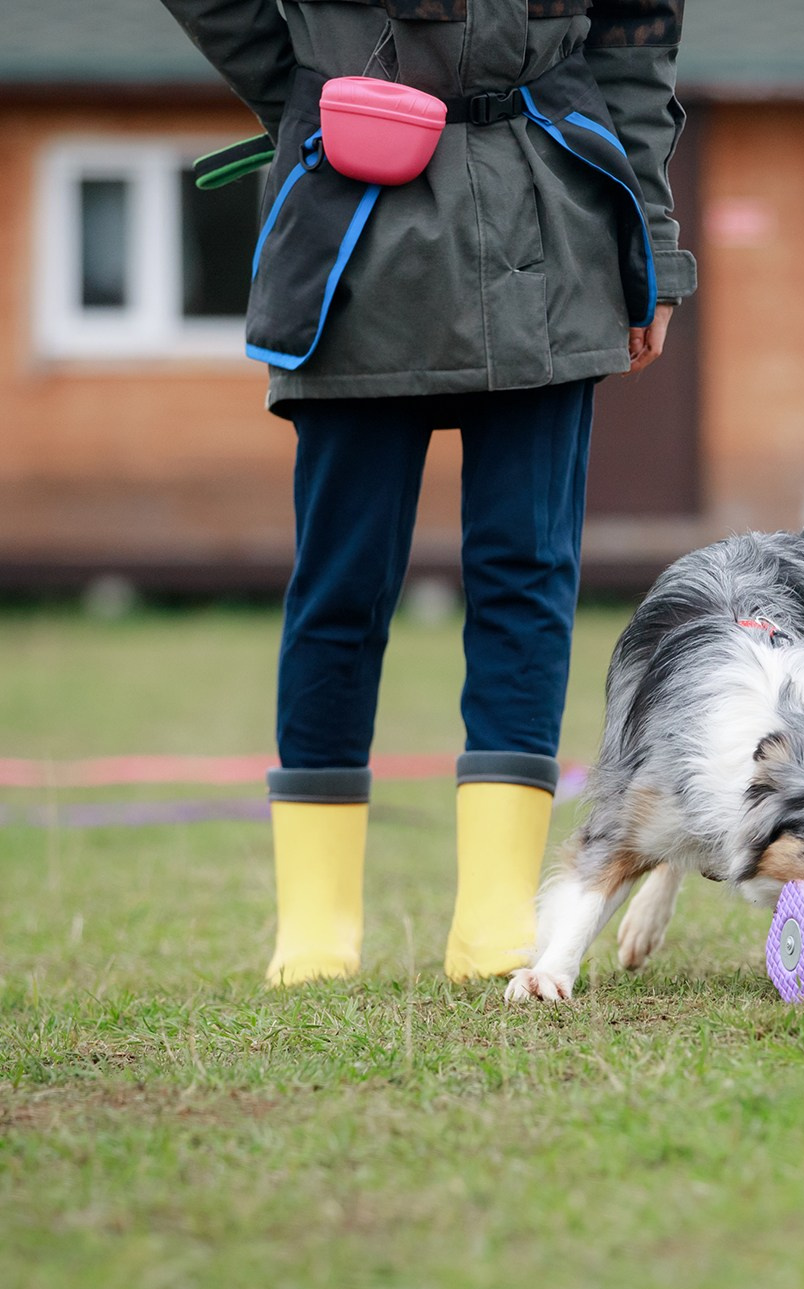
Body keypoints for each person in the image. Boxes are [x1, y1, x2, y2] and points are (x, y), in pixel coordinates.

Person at [160, 0, 696, 985]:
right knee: (341, 588)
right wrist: (304, 92)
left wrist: (651, 242)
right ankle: (315, 922)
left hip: (554, 224)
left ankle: (495, 911)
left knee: (528, 578)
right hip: (351, 229)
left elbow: (635, 35)